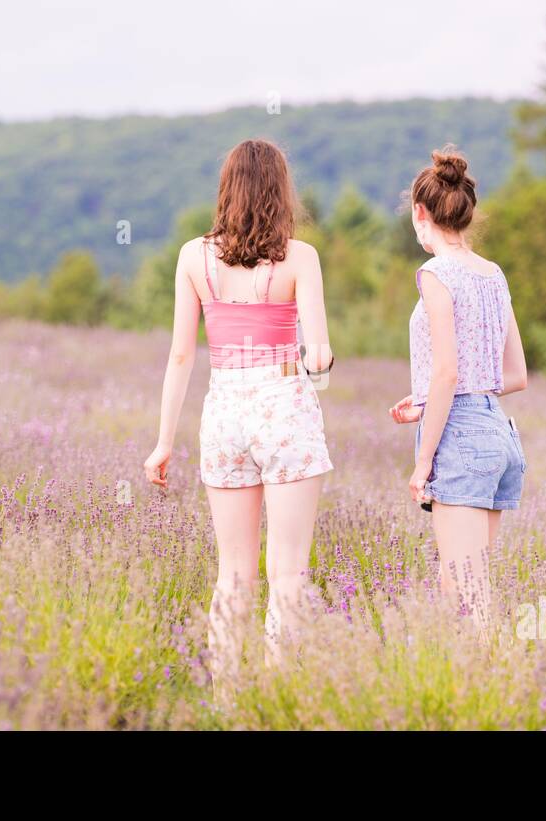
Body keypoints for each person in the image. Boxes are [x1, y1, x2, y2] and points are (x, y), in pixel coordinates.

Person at [143, 139, 334, 698]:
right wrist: (317, 362)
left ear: (226, 188)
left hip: (223, 409)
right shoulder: (301, 258)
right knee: (289, 573)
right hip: (283, 404)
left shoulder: (190, 258)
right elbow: (318, 353)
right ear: (280, 192)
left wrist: (162, 443)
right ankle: (277, 700)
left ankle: (226, 701)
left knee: (233, 574)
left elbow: (181, 355)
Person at [389, 145, 528, 640]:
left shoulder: (435, 275)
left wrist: (423, 460)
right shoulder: (494, 274)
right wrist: (426, 401)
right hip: (499, 435)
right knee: (465, 586)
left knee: (467, 597)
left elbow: (447, 372)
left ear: (420, 213)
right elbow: (515, 375)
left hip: (461, 439)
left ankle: (487, 698)